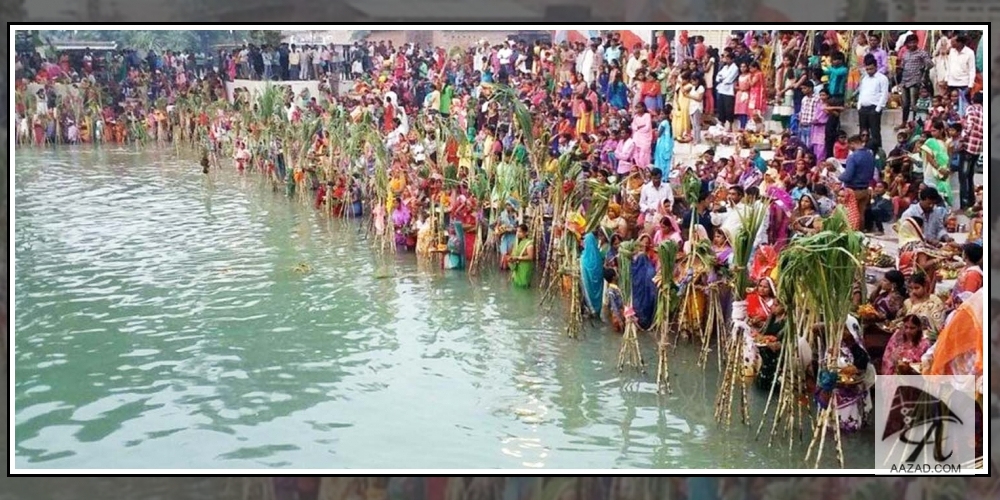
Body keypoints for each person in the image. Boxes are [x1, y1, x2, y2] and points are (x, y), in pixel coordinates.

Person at [855, 54, 889, 149]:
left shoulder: (882, 78)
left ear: (876, 67)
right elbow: (862, 92)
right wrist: (859, 106)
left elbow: (884, 94)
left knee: (875, 133)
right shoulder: (865, 78)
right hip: (863, 108)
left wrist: (878, 109)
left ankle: (877, 154)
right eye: (867, 69)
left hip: (874, 108)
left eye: (871, 69)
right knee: (863, 132)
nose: (869, 71)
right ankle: (863, 151)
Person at [580, 232, 605, 317]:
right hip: (598, 288)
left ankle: (590, 309)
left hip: (588, 289)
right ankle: (596, 310)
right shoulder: (598, 257)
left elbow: (582, 274)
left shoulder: (584, 259)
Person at [509, 224, 535, 288]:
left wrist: (517, 258)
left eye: (520, 232)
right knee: (516, 285)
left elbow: (530, 257)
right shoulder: (516, 241)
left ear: (525, 233)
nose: (518, 233)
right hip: (516, 268)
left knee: (524, 284)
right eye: (517, 231)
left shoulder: (529, 244)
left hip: (524, 268)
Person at [654, 105, 674, 175]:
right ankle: (665, 175)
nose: (660, 115)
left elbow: (659, 134)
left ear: (666, 115)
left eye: (662, 114)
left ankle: (662, 175)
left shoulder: (664, 123)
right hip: (668, 143)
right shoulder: (669, 122)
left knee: (661, 160)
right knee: (666, 161)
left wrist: (655, 131)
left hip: (663, 144)